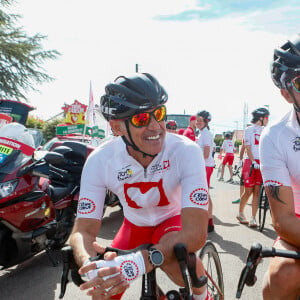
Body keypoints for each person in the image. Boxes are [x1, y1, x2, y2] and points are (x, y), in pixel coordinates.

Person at [69, 73, 212, 300]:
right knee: (103, 289)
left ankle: (204, 295)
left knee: (181, 261)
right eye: (141, 119)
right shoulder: (99, 160)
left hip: (173, 222)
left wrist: (140, 261)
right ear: (117, 127)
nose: (156, 126)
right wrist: (88, 264)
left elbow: (196, 232)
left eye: (159, 114)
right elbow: (83, 230)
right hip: (135, 226)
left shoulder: (186, 150)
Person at [260, 34, 300, 300]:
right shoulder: (275, 136)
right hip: (297, 223)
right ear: (286, 93)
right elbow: (283, 220)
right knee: (281, 275)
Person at [236, 107, 269, 227]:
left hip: (261, 163)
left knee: (257, 191)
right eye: (266, 117)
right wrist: (253, 161)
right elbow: (247, 147)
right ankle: (240, 212)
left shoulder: (266, 130)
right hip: (250, 162)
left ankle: (253, 218)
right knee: (248, 191)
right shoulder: (249, 129)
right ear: (261, 117)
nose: (267, 120)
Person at [196, 110, 215, 232]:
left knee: (205, 194)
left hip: (205, 166)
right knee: (204, 193)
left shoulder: (206, 134)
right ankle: (208, 221)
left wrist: (194, 160)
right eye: (196, 120)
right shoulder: (202, 133)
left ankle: (209, 222)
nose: (197, 122)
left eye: (200, 121)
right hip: (203, 166)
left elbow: (207, 154)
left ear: (206, 122)